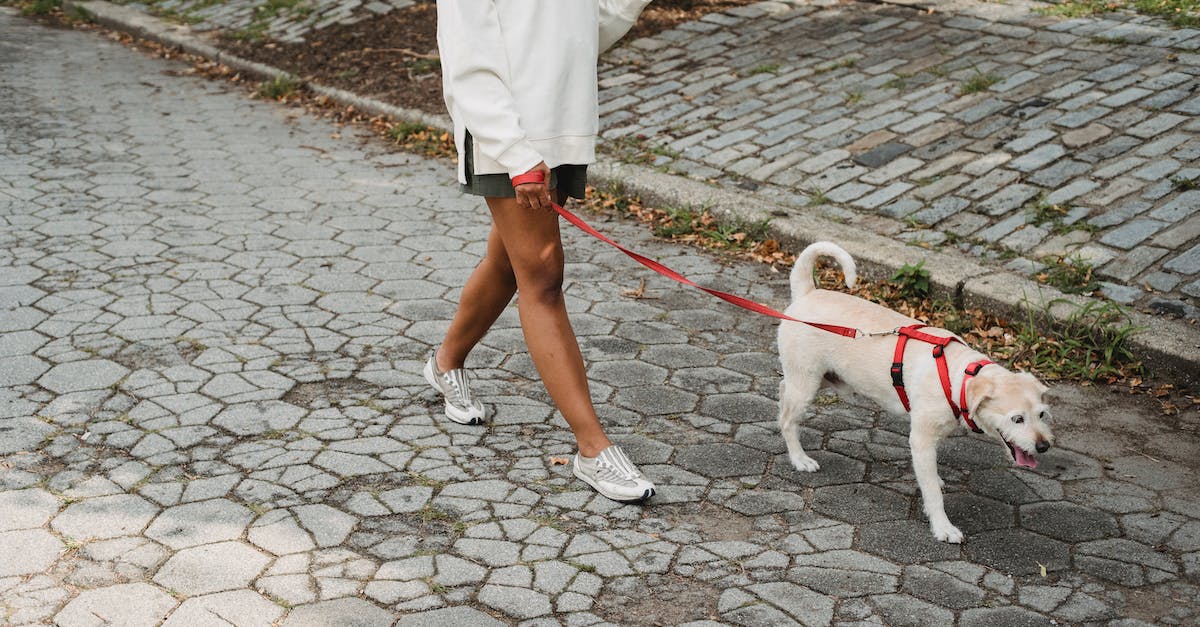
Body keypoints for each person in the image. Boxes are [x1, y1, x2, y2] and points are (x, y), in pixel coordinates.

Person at [427, 0, 656, 503]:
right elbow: (466, 61)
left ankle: (445, 363)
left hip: (560, 128)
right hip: (508, 139)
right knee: (544, 277)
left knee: (512, 265)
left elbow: (585, 29)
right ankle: (593, 449)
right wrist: (516, 154)